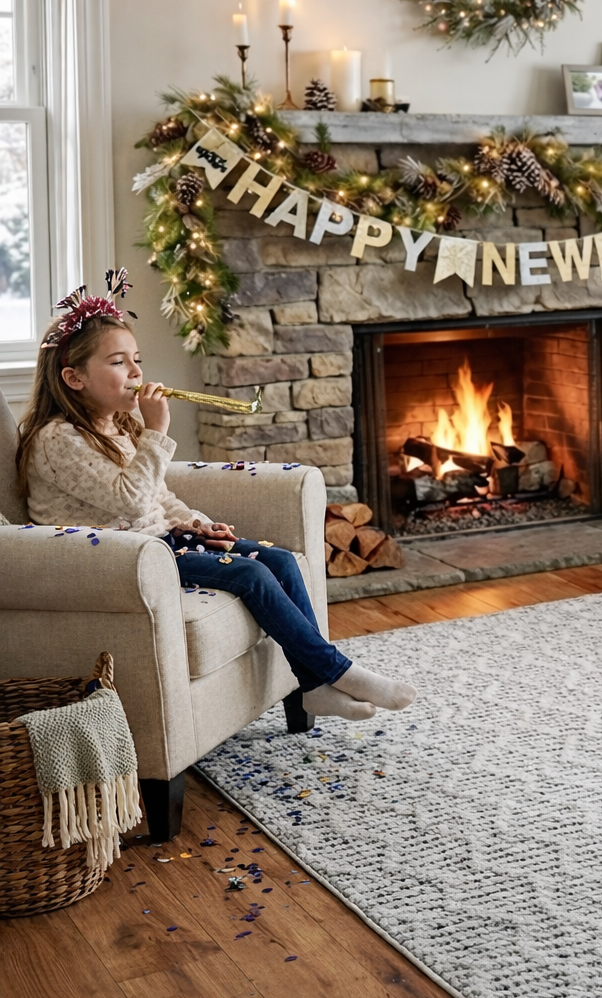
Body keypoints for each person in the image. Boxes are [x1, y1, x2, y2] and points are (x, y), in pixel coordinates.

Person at [15, 273, 416, 721]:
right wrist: (157, 432)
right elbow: (129, 500)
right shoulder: (57, 439)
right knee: (251, 575)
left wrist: (197, 523)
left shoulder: (116, 426)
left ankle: (311, 686)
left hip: (161, 541)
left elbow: (157, 498)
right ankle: (335, 671)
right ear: (73, 378)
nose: (135, 373)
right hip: (121, 559)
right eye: (117, 363)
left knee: (280, 561)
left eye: (137, 360)